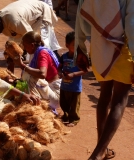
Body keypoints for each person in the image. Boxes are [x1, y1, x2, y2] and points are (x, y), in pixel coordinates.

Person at [75, 0, 134, 159]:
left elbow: (81, 13)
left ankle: (103, 148)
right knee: (119, 101)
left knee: (104, 96)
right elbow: (131, 25)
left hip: (98, 46)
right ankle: (98, 153)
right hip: (122, 49)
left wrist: (79, 47)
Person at [0, 0, 61, 70]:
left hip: (40, 15)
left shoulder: (15, 21)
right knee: (11, 52)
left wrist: (23, 52)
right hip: (24, 18)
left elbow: (31, 37)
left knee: (42, 48)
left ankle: (57, 66)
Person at [13, 31, 61, 115]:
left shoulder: (42, 53)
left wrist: (22, 66)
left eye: (25, 46)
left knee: (29, 75)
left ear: (32, 45)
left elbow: (42, 74)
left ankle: (36, 104)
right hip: (51, 91)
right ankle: (22, 97)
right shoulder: (39, 52)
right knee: (27, 73)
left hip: (56, 95)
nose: (24, 48)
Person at [58, 31, 85, 127]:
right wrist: (60, 73)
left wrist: (74, 74)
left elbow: (85, 70)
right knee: (63, 102)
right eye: (74, 45)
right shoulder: (64, 57)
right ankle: (66, 116)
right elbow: (59, 67)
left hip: (75, 87)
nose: (77, 47)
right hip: (64, 85)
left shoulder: (80, 57)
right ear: (67, 45)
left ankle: (74, 119)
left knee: (74, 104)